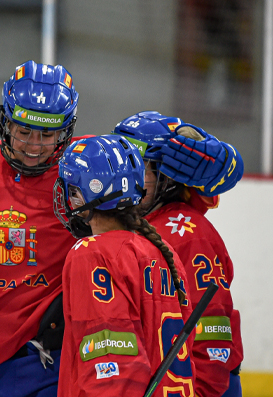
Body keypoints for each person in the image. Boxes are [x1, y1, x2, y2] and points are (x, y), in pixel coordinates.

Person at [0, 61, 243, 397]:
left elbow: (167, 182)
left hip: (42, 361)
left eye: (49, 135)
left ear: (68, 130)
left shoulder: (87, 169)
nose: (35, 147)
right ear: (5, 121)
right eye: (24, 131)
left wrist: (218, 162)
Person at [112, 111, 244, 397]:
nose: (125, 178)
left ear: (166, 176)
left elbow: (213, 340)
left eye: (139, 169)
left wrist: (199, 391)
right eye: (122, 165)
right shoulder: (131, 222)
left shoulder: (188, 236)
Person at [54, 135, 195, 397]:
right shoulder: (166, 254)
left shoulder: (92, 254)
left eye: (72, 190)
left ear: (86, 193)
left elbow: (110, 360)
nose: (68, 198)